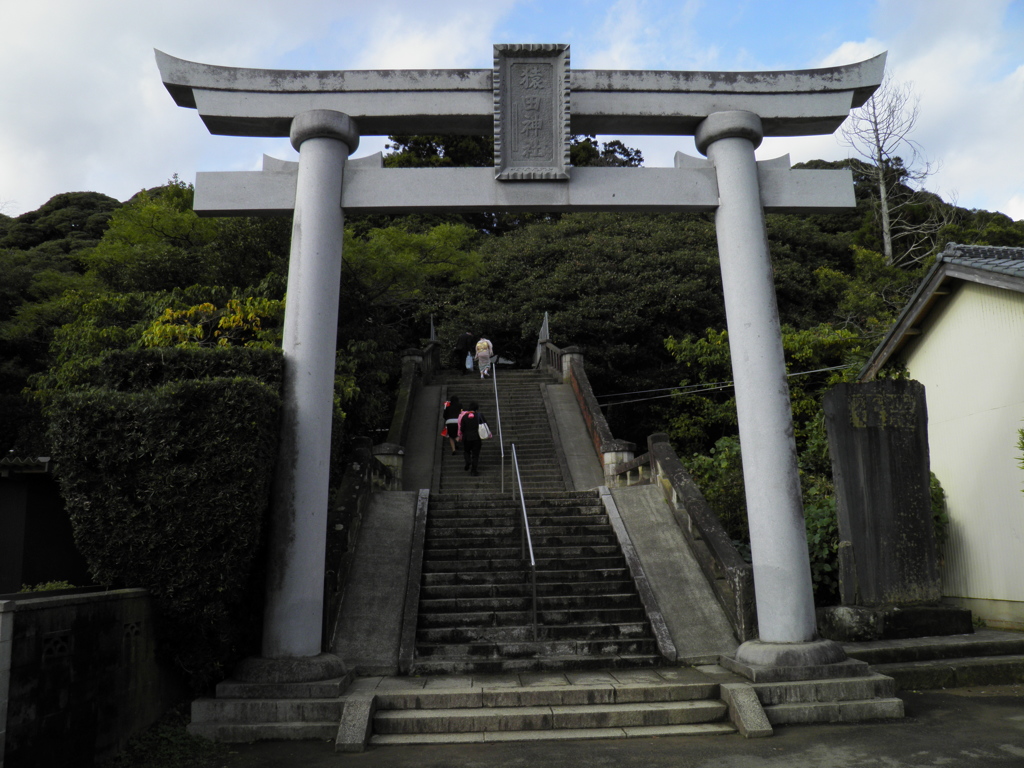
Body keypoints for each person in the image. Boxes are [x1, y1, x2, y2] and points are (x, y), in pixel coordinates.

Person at [457, 401, 488, 476]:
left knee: (466, 451)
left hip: (467, 438)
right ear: (477, 409)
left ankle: (468, 461)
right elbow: (485, 424)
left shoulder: (464, 417)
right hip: (476, 438)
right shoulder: (479, 416)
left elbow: (462, 428)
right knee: (475, 455)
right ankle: (474, 471)